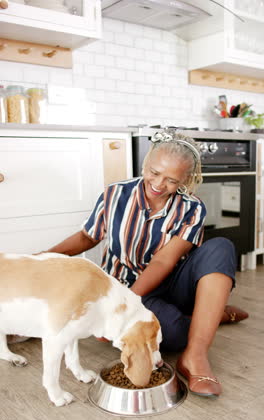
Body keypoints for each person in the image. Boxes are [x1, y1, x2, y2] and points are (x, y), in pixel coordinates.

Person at [45, 129, 248, 398]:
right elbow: (87, 235)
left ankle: (195, 357)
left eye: (171, 180)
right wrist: (48, 256)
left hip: (171, 283)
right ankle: (213, 314)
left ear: (186, 180)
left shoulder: (192, 208)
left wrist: (126, 307)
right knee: (172, 335)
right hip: (127, 285)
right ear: (146, 163)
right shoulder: (115, 194)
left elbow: (165, 260)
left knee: (221, 246)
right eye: (154, 172)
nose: (158, 184)